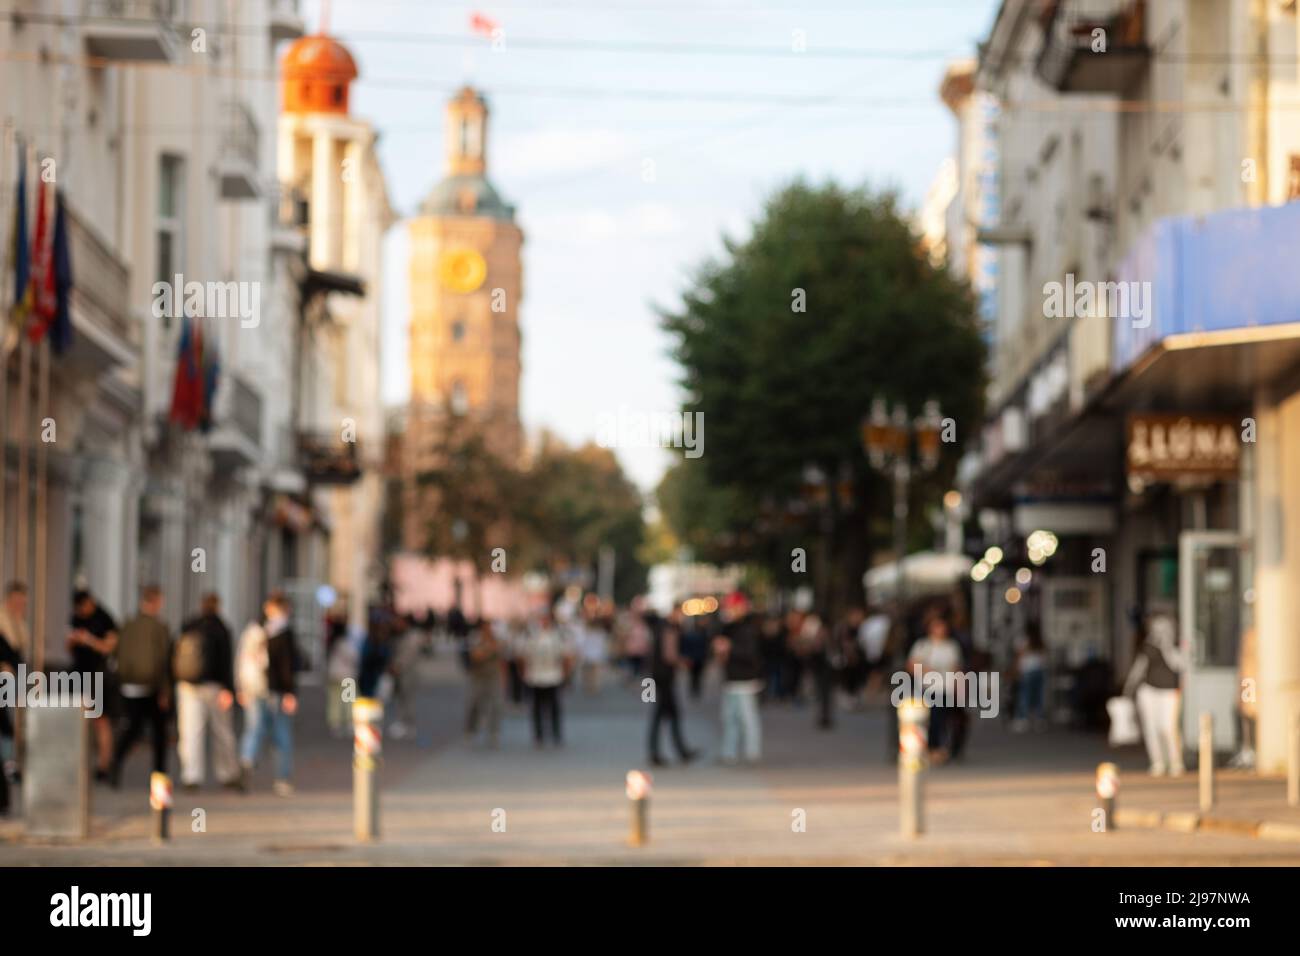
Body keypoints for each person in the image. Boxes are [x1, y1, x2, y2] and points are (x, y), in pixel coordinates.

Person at [175, 593, 240, 791]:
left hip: (188, 686)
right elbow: (227, 662)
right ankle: (227, 773)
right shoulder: (221, 628)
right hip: (214, 687)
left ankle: (191, 775)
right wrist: (229, 690)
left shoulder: (189, 626)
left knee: (190, 732)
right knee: (221, 731)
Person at [109, 585, 172, 788]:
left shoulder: (127, 625)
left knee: (132, 730)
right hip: (152, 687)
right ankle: (159, 777)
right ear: (156, 603)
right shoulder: (159, 627)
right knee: (159, 733)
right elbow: (164, 660)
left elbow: (116, 654)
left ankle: (114, 763)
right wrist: (165, 690)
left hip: (128, 685)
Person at [237, 592, 299, 796]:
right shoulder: (284, 632)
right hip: (277, 691)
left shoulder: (254, 630)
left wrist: (240, 687)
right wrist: (291, 692)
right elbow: (288, 666)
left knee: (253, 728)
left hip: (254, 688)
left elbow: (242, 661)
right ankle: (282, 779)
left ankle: (247, 761)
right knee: (281, 733)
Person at [1123, 612, 1185, 776]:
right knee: (1151, 728)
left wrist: (1167, 646)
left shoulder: (1178, 644)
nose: (1159, 632)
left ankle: (1175, 762)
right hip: (1148, 690)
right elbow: (1139, 666)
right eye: (1156, 628)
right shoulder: (1148, 646)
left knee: (1167, 727)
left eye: (1163, 628)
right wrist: (1128, 688)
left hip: (1169, 691)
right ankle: (1157, 762)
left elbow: (1177, 665)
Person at [68, 590, 119, 782]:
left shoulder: (104, 618)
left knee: (100, 720)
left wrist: (88, 640)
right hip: (78, 673)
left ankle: (104, 765)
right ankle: (79, 763)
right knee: (78, 720)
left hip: (99, 675)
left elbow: (109, 647)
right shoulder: (75, 617)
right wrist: (73, 640)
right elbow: (69, 646)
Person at [905, 609, 965, 765]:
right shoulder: (923, 645)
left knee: (942, 718)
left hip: (946, 687)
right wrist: (927, 670)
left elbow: (956, 668)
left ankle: (938, 747)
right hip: (927, 687)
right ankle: (932, 747)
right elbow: (911, 666)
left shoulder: (951, 646)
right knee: (931, 718)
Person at [714, 592, 764, 765]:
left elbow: (750, 654)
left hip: (746, 681)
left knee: (748, 719)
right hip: (731, 680)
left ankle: (753, 753)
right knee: (729, 719)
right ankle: (729, 753)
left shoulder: (748, 628)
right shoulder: (727, 628)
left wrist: (730, 647)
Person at [646, 610, 698, 767]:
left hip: (654, 677)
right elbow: (670, 655)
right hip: (664, 678)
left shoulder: (658, 627)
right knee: (668, 714)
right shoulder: (670, 629)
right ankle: (672, 751)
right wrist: (685, 662)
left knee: (662, 714)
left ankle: (677, 750)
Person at [520, 612, 573, 747]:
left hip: (553, 676)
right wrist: (525, 672)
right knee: (537, 708)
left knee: (554, 707)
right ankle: (539, 735)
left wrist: (565, 675)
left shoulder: (557, 636)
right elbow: (523, 656)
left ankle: (556, 734)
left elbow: (566, 656)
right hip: (536, 677)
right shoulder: (532, 636)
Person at [0, 582, 28, 786]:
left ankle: (9, 762)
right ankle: (8, 764)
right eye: (18, 600)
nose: (21, 604)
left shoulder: (18, 620)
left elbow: (21, 646)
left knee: (11, 719)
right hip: (4, 676)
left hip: (14, 675)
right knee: (6, 722)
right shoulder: (2, 618)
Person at [464, 620, 504, 748]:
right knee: (475, 703)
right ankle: (471, 729)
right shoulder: (475, 639)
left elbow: (503, 659)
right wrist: (490, 649)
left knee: (496, 704)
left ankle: (494, 732)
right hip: (479, 677)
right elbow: (475, 656)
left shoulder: (497, 639)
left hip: (494, 677)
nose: (489, 630)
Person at [323, 601, 357, 739]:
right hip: (347, 675)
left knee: (334, 700)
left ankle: (335, 723)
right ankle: (349, 722)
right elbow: (353, 657)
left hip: (333, 674)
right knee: (348, 700)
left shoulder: (332, 642)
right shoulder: (345, 643)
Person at [1011, 624, 1047, 733]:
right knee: (1038, 696)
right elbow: (1044, 655)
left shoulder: (1023, 640)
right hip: (1039, 670)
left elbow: (1019, 656)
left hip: (1027, 670)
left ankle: (1023, 718)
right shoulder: (1040, 640)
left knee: (1024, 695)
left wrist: (1016, 671)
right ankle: (1039, 719)